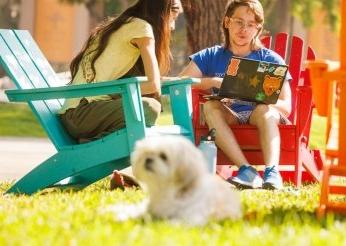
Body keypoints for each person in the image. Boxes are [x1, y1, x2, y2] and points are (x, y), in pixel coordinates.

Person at [180, 0, 292, 190]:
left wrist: (260, 100)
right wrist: (213, 82)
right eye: (239, 22)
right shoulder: (211, 55)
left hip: (261, 116)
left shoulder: (270, 59)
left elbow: (286, 107)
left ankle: (272, 172)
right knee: (210, 107)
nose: (244, 29)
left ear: (258, 29)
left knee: (264, 110)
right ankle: (246, 170)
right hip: (229, 114)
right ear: (227, 22)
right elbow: (179, 81)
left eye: (250, 24)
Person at [59, 0, 182, 143]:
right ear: (161, 12)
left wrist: (165, 81)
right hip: (82, 113)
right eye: (173, 18)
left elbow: (148, 81)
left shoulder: (124, 24)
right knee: (149, 107)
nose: (172, 26)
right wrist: (119, 92)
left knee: (143, 112)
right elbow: (153, 85)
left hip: (79, 113)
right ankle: (93, 145)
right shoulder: (141, 28)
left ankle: (91, 141)